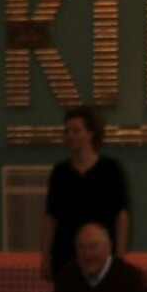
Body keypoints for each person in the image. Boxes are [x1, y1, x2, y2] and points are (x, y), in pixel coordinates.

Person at [40, 105, 129, 280]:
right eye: (66, 131)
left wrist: (120, 254)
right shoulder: (60, 172)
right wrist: (45, 255)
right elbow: (50, 217)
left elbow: (121, 215)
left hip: (100, 254)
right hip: (66, 253)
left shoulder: (111, 169)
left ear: (90, 134)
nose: (70, 136)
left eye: (76, 131)